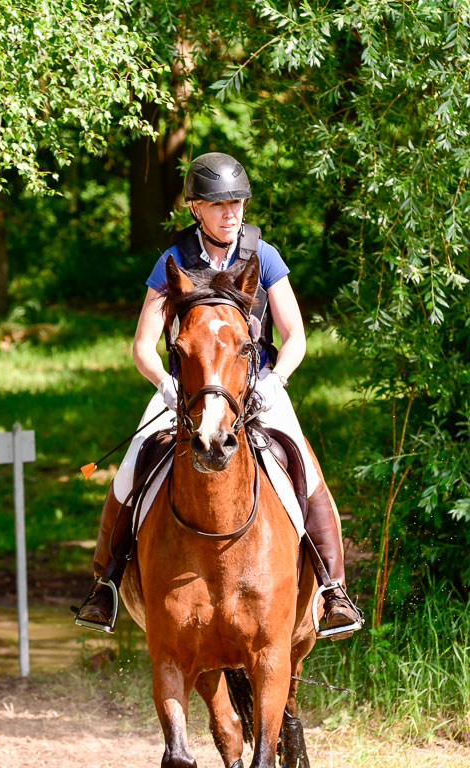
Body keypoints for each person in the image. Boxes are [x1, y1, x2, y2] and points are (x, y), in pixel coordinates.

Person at [75, 152, 362, 639]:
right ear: (195, 208)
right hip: (186, 393)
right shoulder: (173, 261)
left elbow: (295, 336)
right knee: (132, 464)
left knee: (304, 467)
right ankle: (105, 583)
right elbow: (143, 346)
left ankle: (333, 590)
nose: (232, 213)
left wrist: (277, 380)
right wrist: (164, 385)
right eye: (219, 204)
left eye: (238, 203)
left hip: (255, 389)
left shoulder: (263, 256)